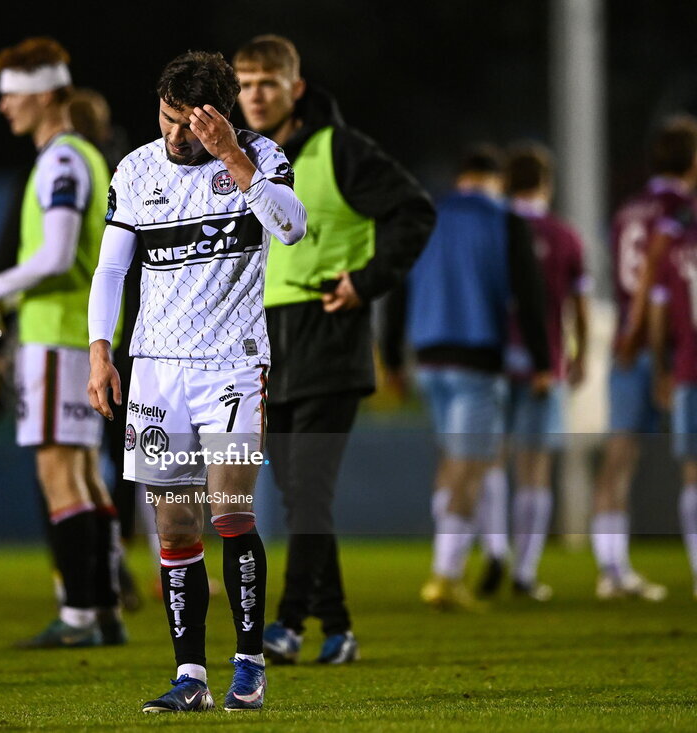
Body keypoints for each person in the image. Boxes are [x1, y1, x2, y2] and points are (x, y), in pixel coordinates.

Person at [88, 50, 306, 713]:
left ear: (219, 117)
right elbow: (110, 271)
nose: (176, 135)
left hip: (233, 364)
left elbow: (292, 228)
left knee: (231, 511)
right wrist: (101, 352)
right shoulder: (136, 169)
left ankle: (248, 663)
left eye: (191, 124)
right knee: (176, 525)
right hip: (156, 370)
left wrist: (233, 158)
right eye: (167, 119)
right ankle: (190, 675)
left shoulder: (261, 157)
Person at [232, 34, 435, 665]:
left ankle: (287, 624)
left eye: (266, 82)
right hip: (266, 347)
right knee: (298, 493)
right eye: (242, 83)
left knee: (309, 489)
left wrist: (366, 281)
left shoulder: (340, 150)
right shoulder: (245, 158)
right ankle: (339, 627)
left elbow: (415, 211)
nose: (253, 95)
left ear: (295, 87)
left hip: (329, 338)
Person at [0, 37, 125, 647]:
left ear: (50, 94)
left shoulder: (61, 161)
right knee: (84, 475)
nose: (5, 106)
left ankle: (79, 615)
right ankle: (104, 610)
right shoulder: (80, 155)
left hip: (56, 336)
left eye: (15, 94)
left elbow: (56, 256)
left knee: (60, 474)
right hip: (73, 336)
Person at [382, 144, 551, 611]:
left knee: (450, 459)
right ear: (495, 181)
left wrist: (392, 358)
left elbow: (398, 287)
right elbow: (530, 297)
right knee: (469, 464)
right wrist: (542, 362)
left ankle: (449, 561)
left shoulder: (428, 215)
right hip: (476, 357)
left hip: (427, 360)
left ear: (462, 178)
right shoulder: (505, 220)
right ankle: (446, 574)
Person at [475, 142, 590, 601]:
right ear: (546, 184)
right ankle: (524, 572)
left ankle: (496, 549)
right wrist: (578, 356)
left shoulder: (494, 229)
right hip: (546, 364)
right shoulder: (565, 235)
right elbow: (579, 305)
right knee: (535, 469)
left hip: (495, 361)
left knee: (489, 461)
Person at [590, 115, 697, 600]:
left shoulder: (627, 209)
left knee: (619, 458)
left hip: (627, 349)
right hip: (676, 346)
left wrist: (628, 334)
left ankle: (611, 569)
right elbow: (660, 280)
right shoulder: (684, 209)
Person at [649, 193, 697, 600]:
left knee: (692, 476)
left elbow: (659, 313)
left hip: (687, 372)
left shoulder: (675, 246)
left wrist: (661, 370)